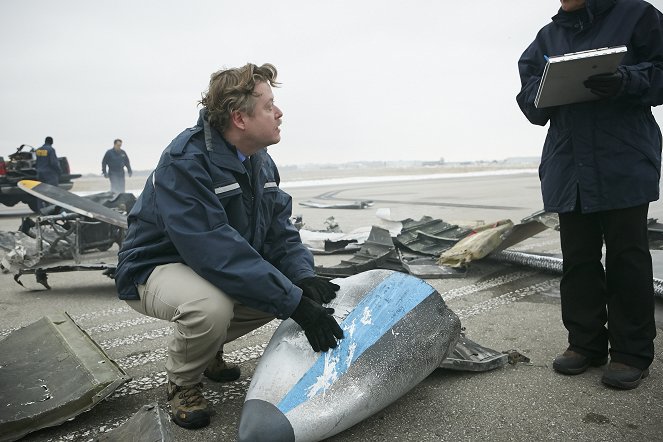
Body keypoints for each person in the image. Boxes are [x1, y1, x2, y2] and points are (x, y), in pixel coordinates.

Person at [114, 63, 344, 429]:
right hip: (154, 267)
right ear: (239, 117)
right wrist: (294, 302)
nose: (279, 113)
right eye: (269, 106)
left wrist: (301, 277)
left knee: (283, 291)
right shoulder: (185, 161)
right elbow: (213, 249)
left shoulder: (260, 161)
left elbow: (279, 232)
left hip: (206, 265)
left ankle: (205, 352)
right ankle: (182, 383)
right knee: (211, 307)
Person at [517, 0, 663, 390]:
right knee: (578, 258)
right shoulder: (549, 36)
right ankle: (585, 343)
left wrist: (627, 80)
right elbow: (528, 97)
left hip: (623, 158)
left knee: (627, 257)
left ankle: (631, 352)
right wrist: (543, 92)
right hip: (569, 164)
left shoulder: (639, 15)